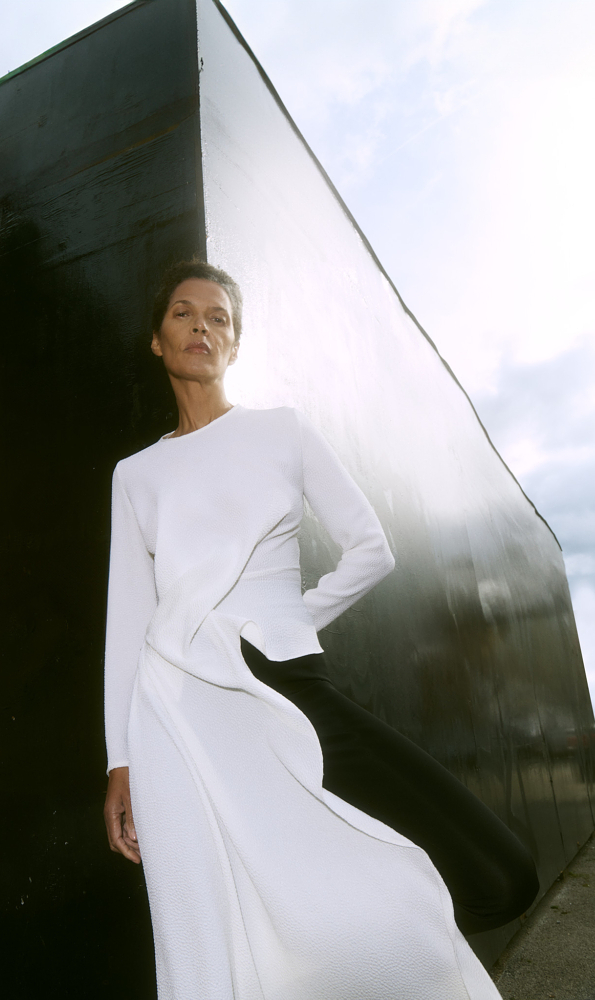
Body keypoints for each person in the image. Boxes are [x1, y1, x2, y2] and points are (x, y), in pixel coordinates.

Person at [102, 260, 538, 1000]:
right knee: (236, 912)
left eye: (218, 317)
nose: (201, 325)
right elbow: (128, 622)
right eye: (183, 313)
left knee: (500, 875)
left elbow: (371, 549)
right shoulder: (136, 474)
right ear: (156, 339)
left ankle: (392, 956)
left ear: (235, 343)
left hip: (287, 681)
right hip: (184, 712)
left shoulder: (282, 431)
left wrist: (288, 623)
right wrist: (120, 763)